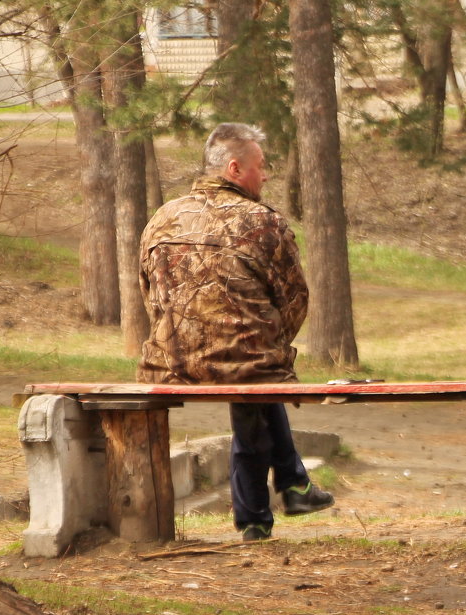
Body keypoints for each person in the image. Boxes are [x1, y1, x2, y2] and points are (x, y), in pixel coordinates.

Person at [137, 122, 334, 542]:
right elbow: (295, 299)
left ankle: (288, 490)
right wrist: (269, 342)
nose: (265, 175)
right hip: (246, 361)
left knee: (255, 381)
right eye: (261, 166)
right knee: (254, 377)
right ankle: (263, 513)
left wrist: (178, 338)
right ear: (234, 168)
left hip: (168, 363)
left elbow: (148, 294)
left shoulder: (162, 218)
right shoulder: (262, 221)